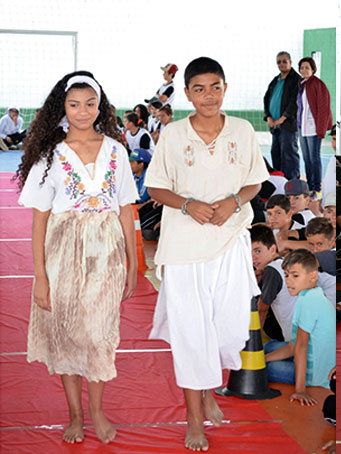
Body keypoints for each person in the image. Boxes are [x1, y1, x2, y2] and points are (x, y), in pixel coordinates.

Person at [145, 57, 270, 452]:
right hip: (184, 247)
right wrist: (187, 205)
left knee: (228, 324)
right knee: (190, 331)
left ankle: (208, 388)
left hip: (230, 240)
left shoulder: (243, 129)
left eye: (215, 86)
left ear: (225, 88)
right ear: (186, 94)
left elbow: (254, 181)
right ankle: (193, 418)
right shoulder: (174, 134)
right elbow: (155, 189)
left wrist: (234, 201)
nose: (208, 96)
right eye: (199, 89)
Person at [16, 71, 139, 444]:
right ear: (62, 108)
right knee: (67, 334)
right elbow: (40, 219)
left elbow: (125, 209)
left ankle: (98, 411)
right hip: (62, 250)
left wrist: (133, 264)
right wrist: (40, 276)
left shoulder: (116, 150)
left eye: (90, 104)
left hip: (107, 253)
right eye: (74, 104)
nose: (82, 111)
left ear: (100, 106)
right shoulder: (50, 154)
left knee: (100, 333)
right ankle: (75, 415)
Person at [263, 249, 336, 404]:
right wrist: (264, 358)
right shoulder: (309, 296)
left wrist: (300, 390)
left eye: (295, 276)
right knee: (269, 347)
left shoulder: (309, 302)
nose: (289, 281)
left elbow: (300, 347)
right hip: (317, 360)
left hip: (315, 376)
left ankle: (301, 381)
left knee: (258, 369)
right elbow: (293, 346)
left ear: (313, 276)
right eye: (286, 276)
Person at [297, 57, 334, 200]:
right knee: (306, 158)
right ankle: (309, 186)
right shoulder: (301, 84)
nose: (304, 70)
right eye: (302, 68)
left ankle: (316, 188)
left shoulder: (318, 84)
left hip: (313, 127)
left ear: (313, 69)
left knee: (314, 158)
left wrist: (322, 128)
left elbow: (324, 108)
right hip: (302, 127)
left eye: (307, 67)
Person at [263, 51, 300, 180]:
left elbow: (295, 102)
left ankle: (292, 185)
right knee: (276, 154)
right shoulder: (275, 80)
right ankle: (279, 182)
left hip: (288, 125)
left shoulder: (296, 80)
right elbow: (266, 98)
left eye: (284, 61)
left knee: (288, 156)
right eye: (279, 62)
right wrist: (268, 117)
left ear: (290, 62)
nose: (281, 64)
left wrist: (282, 119)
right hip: (275, 126)